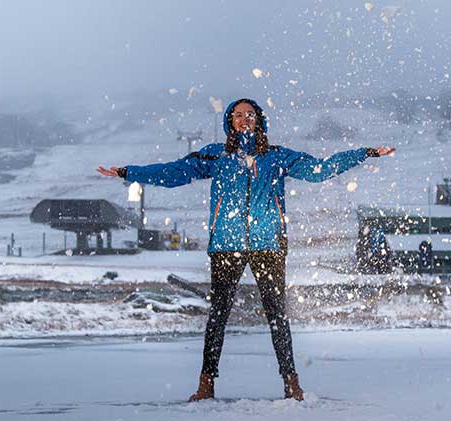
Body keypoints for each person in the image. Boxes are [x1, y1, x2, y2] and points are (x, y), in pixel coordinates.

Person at [98, 98, 395, 402]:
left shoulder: (277, 156)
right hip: (227, 245)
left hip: (269, 244)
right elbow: (175, 173)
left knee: (277, 315)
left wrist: (363, 153)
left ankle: (291, 383)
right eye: (238, 115)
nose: (244, 119)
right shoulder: (217, 155)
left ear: (259, 120)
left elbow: (319, 169)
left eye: (249, 114)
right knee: (218, 315)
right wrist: (128, 172)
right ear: (230, 121)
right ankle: (206, 384)